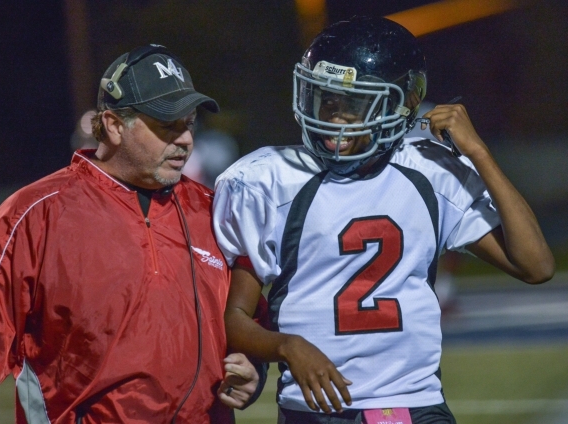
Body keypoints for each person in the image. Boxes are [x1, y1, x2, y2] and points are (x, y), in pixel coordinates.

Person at [212, 16, 555, 424]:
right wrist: (285, 346)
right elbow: (236, 316)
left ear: (399, 105)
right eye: (327, 99)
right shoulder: (267, 180)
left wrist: (478, 153)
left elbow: (535, 266)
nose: (334, 118)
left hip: (413, 404)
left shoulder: (430, 172)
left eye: (354, 104)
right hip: (316, 409)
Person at [0, 44, 260, 423]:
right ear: (114, 125)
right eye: (166, 125)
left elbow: (251, 321)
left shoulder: (216, 212)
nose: (185, 139)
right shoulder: (36, 213)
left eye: (188, 124)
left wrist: (253, 368)